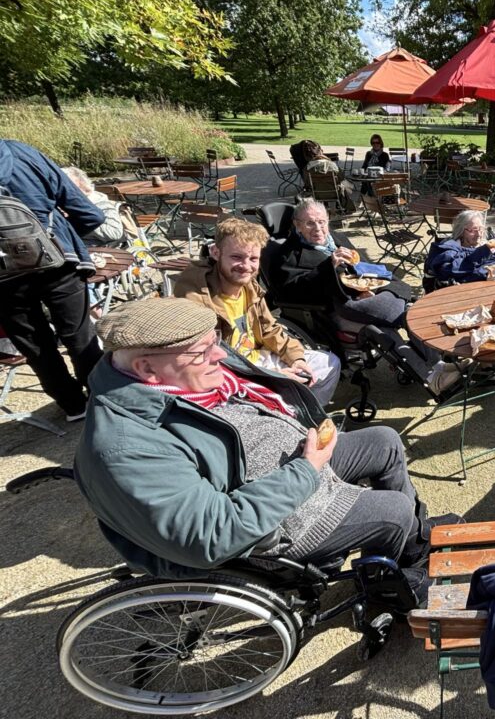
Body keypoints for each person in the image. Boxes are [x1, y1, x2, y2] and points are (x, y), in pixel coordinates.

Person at [75, 298, 459, 602]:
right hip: (272, 527)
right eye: (203, 351)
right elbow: (212, 535)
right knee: (392, 511)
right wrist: (307, 470)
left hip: (288, 466)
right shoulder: (126, 449)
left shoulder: (174, 377)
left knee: (385, 441)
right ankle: (391, 583)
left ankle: (413, 541)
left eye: (216, 343)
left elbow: (242, 384)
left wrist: (283, 380)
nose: (220, 356)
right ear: (145, 368)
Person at [173, 217, 342, 406]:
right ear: (215, 252)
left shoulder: (247, 285)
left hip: (259, 357)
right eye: (236, 257)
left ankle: (299, 414)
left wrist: (296, 358)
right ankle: (287, 415)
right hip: (232, 371)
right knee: (289, 388)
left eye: (253, 259)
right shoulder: (196, 297)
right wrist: (272, 377)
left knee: (329, 362)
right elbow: (204, 359)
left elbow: (269, 329)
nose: (246, 266)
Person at [0, 139, 105, 421]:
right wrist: (66, 235)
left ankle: (72, 405)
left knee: (35, 347)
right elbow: (89, 213)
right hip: (57, 260)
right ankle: (100, 398)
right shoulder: (21, 153)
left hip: (3, 279)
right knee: (79, 335)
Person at [262, 198, 409, 336]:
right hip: (335, 306)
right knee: (392, 323)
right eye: (310, 223)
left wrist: (368, 288)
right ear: (298, 225)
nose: (318, 228)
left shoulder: (337, 238)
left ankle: (425, 349)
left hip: (365, 291)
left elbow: (363, 265)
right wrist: (328, 266)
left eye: (322, 222)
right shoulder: (287, 255)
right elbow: (289, 292)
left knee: (400, 293)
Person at [424, 209, 495, 285]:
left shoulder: (488, 245)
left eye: (480, 229)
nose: (478, 234)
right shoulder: (448, 248)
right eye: (473, 230)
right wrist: (482, 255)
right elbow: (450, 270)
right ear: (461, 231)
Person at [62, 166, 126, 245]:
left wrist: (76, 221)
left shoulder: (100, 203)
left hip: (95, 248)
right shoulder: (63, 203)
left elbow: (114, 233)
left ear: (84, 186)